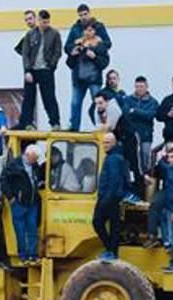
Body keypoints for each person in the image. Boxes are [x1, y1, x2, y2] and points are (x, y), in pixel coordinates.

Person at [18, 9, 63, 131]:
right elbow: (25, 53)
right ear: (38, 21)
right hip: (32, 70)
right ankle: (27, 123)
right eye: (43, 22)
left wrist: (52, 66)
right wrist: (27, 70)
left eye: (47, 22)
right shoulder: (30, 34)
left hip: (46, 70)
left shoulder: (54, 33)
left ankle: (55, 123)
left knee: (49, 97)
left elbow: (58, 51)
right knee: (29, 98)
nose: (45, 24)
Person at [1, 144, 44, 263]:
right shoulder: (14, 165)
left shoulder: (34, 166)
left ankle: (33, 255)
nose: (36, 160)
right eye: (35, 157)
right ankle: (23, 255)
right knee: (20, 230)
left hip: (32, 201)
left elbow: (36, 178)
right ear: (28, 155)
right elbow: (3, 180)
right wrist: (11, 197)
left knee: (32, 229)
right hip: (19, 203)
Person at [66, 19, 110, 132]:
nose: (88, 32)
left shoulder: (100, 45)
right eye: (86, 30)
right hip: (79, 79)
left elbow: (104, 63)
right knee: (75, 103)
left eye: (90, 30)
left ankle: (102, 126)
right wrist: (72, 54)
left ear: (94, 31)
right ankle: (74, 127)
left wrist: (94, 57)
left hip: (94, 80)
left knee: (99, 103)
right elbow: (69, 64)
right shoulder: (79, 44)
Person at [93, 133, 129, 261]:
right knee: (114, 225)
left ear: (113, 143)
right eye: (103, 143)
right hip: (114, 196)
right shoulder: (117, 156)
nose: (105, 145)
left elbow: (114, 180)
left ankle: (111, 250)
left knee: (97, 222)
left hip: (109, 197)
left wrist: (106, 198)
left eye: (107, 143)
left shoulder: (113, 158)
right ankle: (111, 251)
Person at [126, 76, 160, 172]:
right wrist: (142, 113)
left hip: (146, 136)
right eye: (137, 86)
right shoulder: (128, 100)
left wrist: (135, 111)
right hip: (131, 135)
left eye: (141, 86)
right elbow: (126, 113)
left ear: (146, 87)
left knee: (145, 159)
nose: (139, 89)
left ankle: (146, 179)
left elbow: (150, 115)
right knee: (131, 160)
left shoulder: (153, 102)